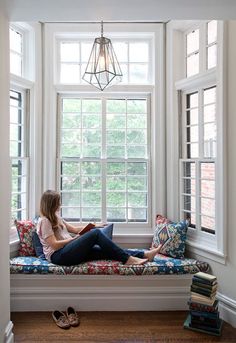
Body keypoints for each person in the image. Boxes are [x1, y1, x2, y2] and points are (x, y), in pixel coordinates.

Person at [37, 190, 162, 266]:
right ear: (51, 205)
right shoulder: (44, 221)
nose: (60, 204)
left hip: (68, 251)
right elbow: (54, 245)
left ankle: (144, 254)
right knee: (95, 234)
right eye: (57, 202)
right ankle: (129, 260)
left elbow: (74, 230)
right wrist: (74, 240)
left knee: (102, 250)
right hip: (58, 256)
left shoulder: (56, 216)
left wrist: (93, 225)